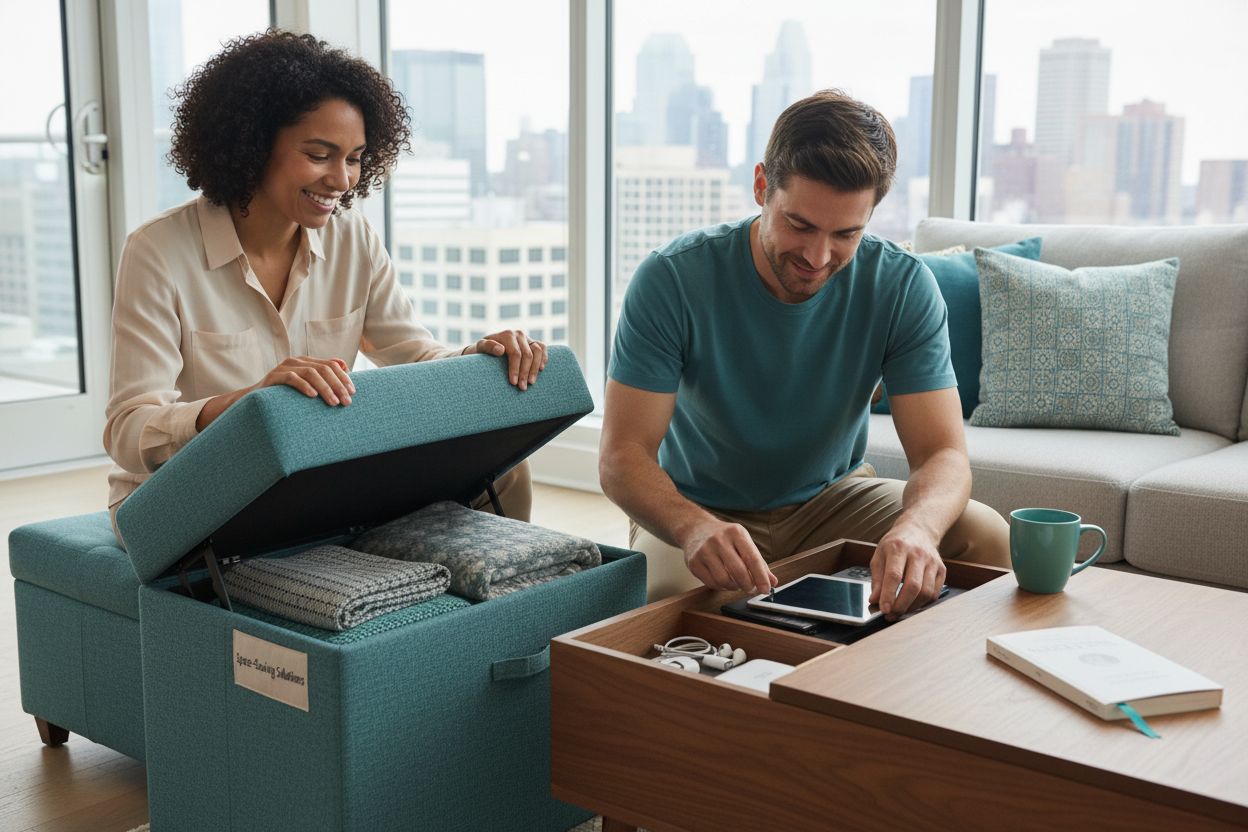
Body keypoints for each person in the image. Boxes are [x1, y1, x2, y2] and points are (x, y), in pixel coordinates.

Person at [103, 30, 546, 544]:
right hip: (186, 491)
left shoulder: (351, 236)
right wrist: (247, 406)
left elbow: (414, 356)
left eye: (355, 157)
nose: (341, 180)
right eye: (319, 155)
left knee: (506, 470)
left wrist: (477, 358)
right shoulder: (158, 251)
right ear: (251, 145)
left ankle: (502, 610)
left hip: (306, 473)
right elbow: (128, 430)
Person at [600, 89, 1011, 614]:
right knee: (664, 604)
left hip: (835, 499)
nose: (818, 257)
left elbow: (942, 454)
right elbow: (621, 456)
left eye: (846, 234)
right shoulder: (672, 278)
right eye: (800, 225)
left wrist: (918, 528)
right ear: (760, 186)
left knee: (985, 535)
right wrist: (692, 526)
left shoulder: (903, 285)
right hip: (698, 506)